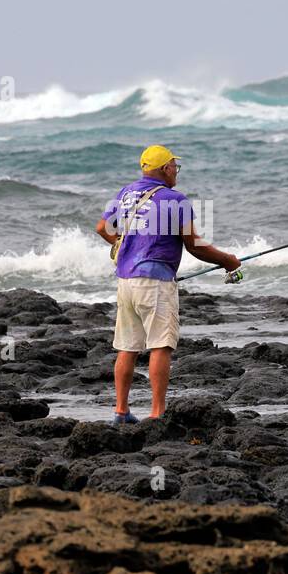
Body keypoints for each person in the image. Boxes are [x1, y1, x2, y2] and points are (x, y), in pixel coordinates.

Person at [95, 145, 240, 425]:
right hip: (155, 282)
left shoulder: (126, 193)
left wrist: (125, 244)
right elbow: (195, 246)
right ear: (164, 169)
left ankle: (121, 411)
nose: (176, 171)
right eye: (175, 166)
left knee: (128, 346)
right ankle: (157, 413)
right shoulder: (175, 199)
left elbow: (103, 228)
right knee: (161, 345)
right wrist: (228, 261)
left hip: (126, 279)